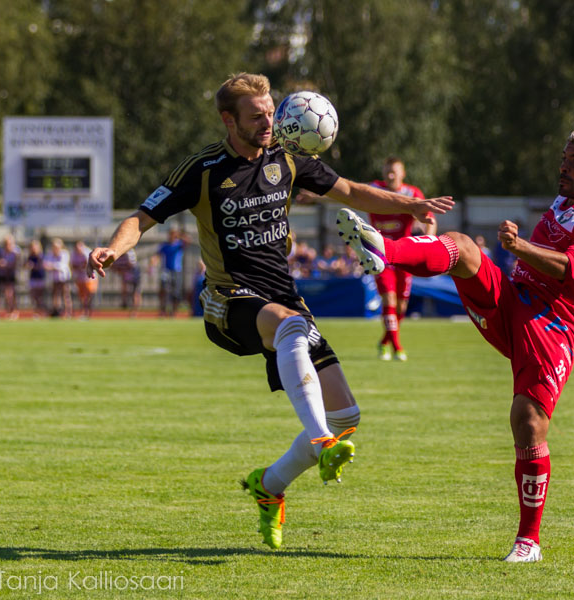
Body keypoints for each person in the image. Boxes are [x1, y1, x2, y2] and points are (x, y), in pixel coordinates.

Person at [86, 72, 453, 550]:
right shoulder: (202, 170)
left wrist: (412, 204)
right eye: (257, 115)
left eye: (271, 111)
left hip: (283, 295)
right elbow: (142, 216)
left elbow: (352, 191)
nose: (268, 122)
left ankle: (270, 485)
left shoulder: (288, 159)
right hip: (229, 299)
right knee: (293, 330)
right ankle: (320, 440)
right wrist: (114, 250)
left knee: (348, 415)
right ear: (228, 120)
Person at [338, 125, 574, 563]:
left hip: (555, 324)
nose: (564, 166)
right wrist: (514, 249)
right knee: (462, 246)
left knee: (527, 421)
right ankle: (384, 251)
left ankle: (529, 541)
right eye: (564, 157)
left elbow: (570, 268)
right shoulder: (566, 201)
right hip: (514, 301)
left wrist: (518, 245)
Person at [368, 157, 436, 361]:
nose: (390, 176)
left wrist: (430, 241)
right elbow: (347, 192)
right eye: (387, 171)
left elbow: (429, 218)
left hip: (405, 256)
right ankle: (397, 348)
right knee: (388, 298)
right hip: (380, 254)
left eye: (394, 172)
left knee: (401, 307)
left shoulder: (412, 194)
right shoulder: (374, 190)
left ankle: (383, 342)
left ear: (402, 174)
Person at [158, 228, 188, 317]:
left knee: (176, 293)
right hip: (166, 271)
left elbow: (188, 241)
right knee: (164, 290)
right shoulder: (165, 245)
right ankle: (163, 310)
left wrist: (180, 235)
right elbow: (157, 255)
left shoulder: (179, 244)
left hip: (177, 271)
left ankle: (173, 312)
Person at [44, 238, 72, 318]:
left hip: (64, 278)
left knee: (66, 295)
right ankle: (57, 311)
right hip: (54, 278)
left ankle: (68, 312)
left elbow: (61, 266)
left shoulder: (64, 254)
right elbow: (45, 264)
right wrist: (53, 266)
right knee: (55, 295)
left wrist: (52, 266)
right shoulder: (50, 254)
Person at [112, 248, 142, 317]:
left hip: (134, 274)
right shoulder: (117, 253)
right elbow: (113, 267)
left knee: (135, 293)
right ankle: (125, 302)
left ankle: (134, 311)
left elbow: (131, 265)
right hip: (126, 273)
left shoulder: (129, 253)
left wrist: (122, 270)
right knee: (124, 289)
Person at [71, 241, 98, 318]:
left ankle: (89, 312)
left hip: (89, 278)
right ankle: (84, 312)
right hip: (80, 278)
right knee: (82, 297)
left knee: (89, 295)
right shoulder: (74, 254)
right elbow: (73, 265)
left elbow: (87, 264)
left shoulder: (87, 252)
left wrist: (80, 267)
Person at [0, 235, 22, 319]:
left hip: (12, 275)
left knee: (11, 294)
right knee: (6, 294)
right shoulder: (2, 252)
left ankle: (14, 310)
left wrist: (7, 265)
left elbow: (17, 263)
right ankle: (8, 310)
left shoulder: (16, 252)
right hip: (4, 275)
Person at [24, 240, 47, 318]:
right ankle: (36, 312)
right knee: (33, 296)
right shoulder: (30, 256)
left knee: (40, 297)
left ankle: (42, 312)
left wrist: (33, 266)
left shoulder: (41, 255)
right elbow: (26, 265)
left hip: (40, 277)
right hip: (33, 278)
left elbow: (41, 266)